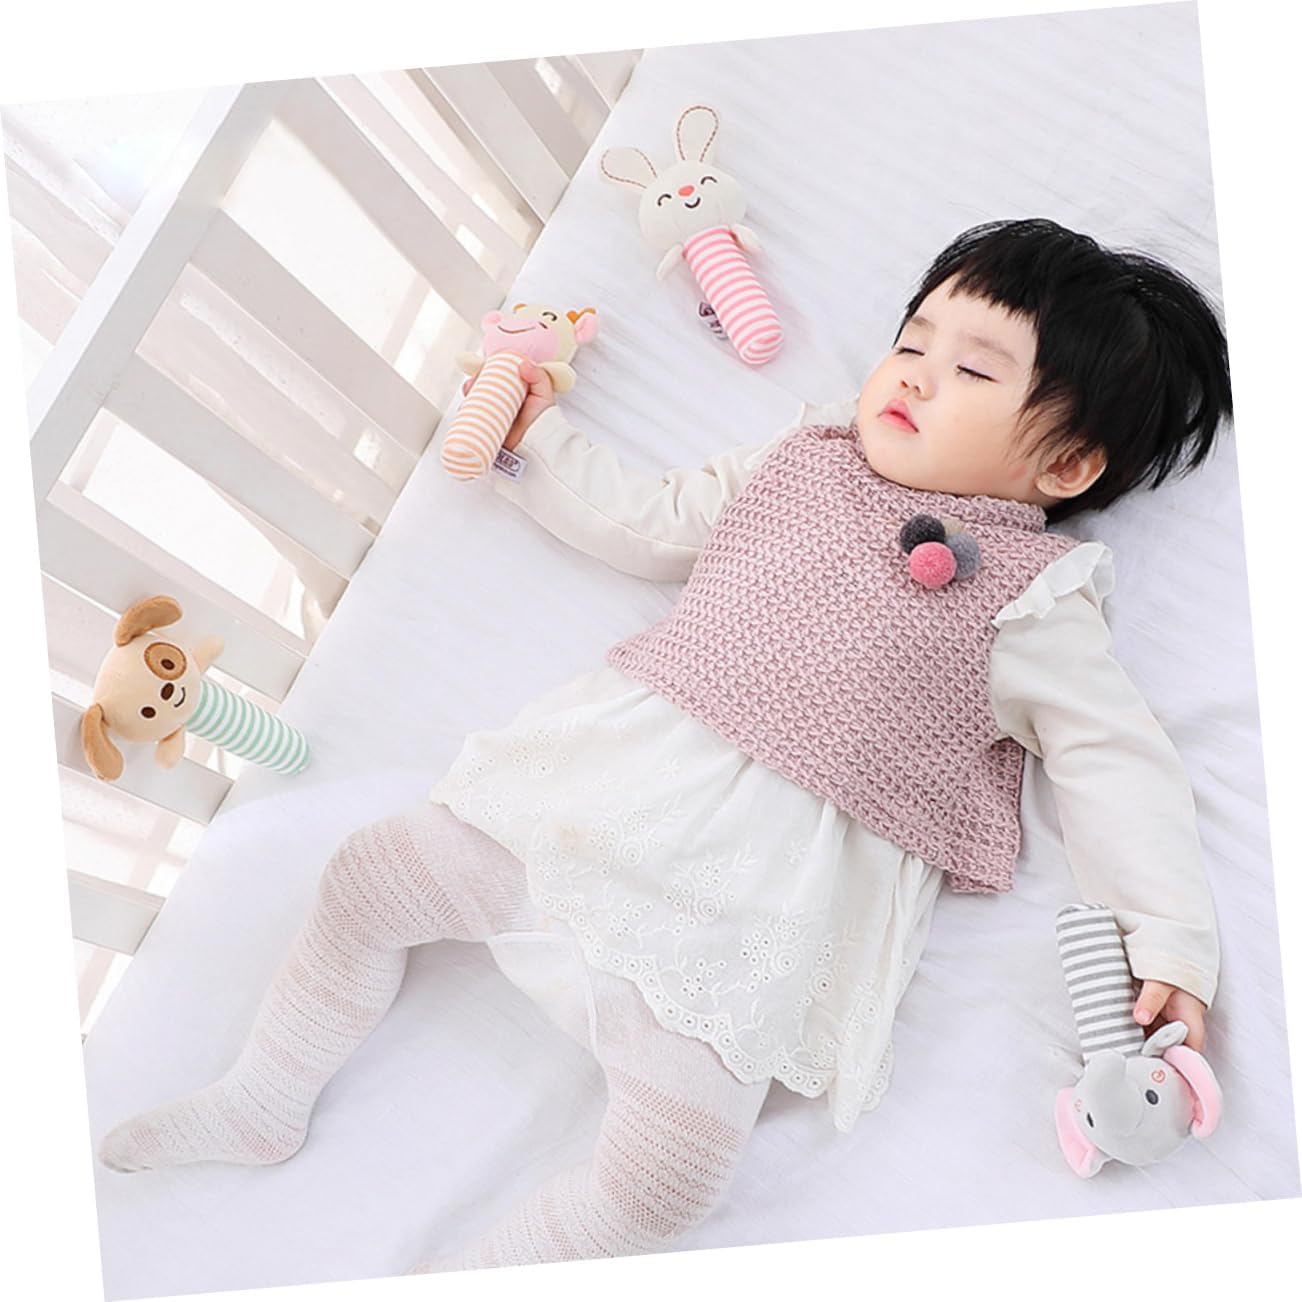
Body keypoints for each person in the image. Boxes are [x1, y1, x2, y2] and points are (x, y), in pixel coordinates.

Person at [97, 218, 1234, 1273]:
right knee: (366, 878)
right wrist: (533, 441)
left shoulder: (1038, 600)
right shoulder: (803, 457)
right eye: (911, 341)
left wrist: (1171, 944)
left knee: (670, 1178)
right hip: (606, 805)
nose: (913, 375)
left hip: (750, 927)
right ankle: (264, 1095)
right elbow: (651, 518)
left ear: (1065, 467)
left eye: (974, 372)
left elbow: (1114, 766)